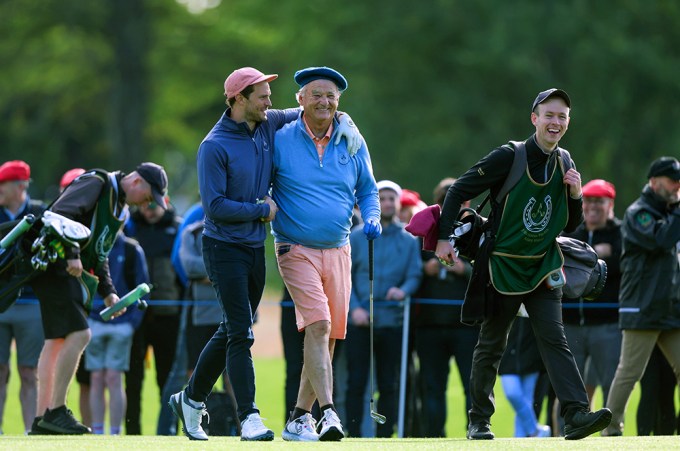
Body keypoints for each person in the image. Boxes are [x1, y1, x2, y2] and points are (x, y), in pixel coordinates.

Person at [169, 66, 362, 442]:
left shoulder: (266, 122)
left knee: (232, 328)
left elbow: (312, 110)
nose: (270, 102)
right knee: (241, 332)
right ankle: (249, 417)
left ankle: (190, 399)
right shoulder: (214, 145)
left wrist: (346, 120)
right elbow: (214, 206)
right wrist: (261, 210)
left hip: (254, 247)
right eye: (262, 96)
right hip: (223, 246)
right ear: (239, 99)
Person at [435, 88, 612, 440]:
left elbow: (569, 225)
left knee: (555, 339)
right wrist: (443, 238)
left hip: (544, 265)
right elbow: (457, 190)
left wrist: (576, 196)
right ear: (534, 118)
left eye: (562, 116)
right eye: (549, 115)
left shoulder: (566, 162)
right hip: (502, 265)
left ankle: (576, 414)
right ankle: (479, 421)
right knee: (492, 344)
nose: (556, 122)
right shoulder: (508, 156)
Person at [272, 66, 380, 442]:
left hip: (339, 249)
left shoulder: (351, 139)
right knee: (317, 326)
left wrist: (372, 216)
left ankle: (298, 417)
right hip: (293, 247)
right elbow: (259, 178)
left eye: (331, 95)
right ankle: (329, 414)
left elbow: (368, 189)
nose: (325, 101)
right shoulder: (281, 138)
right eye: (316, 94)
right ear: (300, 99)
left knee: (328, 336)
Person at [28, 162, 168, 435]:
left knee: (56, 342)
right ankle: (55, 412)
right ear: (137, 181)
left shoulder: (122, 210)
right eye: (149, 196)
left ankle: (41, 419)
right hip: (55, 264)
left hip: (66, 269)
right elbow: (60, 214)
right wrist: (72, 253)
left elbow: (101, 253)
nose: (147, 204)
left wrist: (108, 291)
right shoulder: (98, 183)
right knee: (81, 335)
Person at [604, 156, 680, 436]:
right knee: (630, 373)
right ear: (653, 182)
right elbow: (661, 239)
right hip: (642, 307)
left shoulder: (670, 213)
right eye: (672, 181)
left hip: (668, 308)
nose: (676, 187)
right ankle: (611, 429)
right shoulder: (640, 212)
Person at [345, 180, 422, 437]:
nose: (387, 203)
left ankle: (385, 436)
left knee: (389, 384)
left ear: (398, 203)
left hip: (392, 322)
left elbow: (414, 274)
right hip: (358, 322)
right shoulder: (355, 237)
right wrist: (355, 308)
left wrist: (404, 290)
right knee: (356, 382)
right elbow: (345, 278)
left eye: (392, 198)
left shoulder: (410, 240)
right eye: (382, 198)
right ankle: (353, 434)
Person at [412, 177, 478, 437]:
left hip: (466, 325)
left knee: (471, 387)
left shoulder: (476, 230)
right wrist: (423, 269)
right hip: (429, 326)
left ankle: (475, 432)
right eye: (445, 201)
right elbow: (407, 273)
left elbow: (486, 274)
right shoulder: (425, 230)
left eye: (458, 201)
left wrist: (465, 270)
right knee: (432, 387)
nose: (452, 206)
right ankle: (434, 438)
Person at [558, 179, 622, 420]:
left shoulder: (620, 233)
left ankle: (613, 433)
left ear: (610, 204)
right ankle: (563, 434)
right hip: (571, 322)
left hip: (607, 324)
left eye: (600, 201)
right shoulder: (572, 231)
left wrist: (595, 259)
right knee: (568, 387)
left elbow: (623, 265)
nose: (593, 206)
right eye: (589, 200)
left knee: (611, 383)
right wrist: (599, 254)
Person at [124, 198, 183, 435]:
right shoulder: (130, 227)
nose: (147, 211)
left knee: (167, 380)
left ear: (164, 202)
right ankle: (132, 433)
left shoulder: (177, 228)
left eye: (152, 205)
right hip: (135, 316)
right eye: (143, 206)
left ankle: (169, 432)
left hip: (168, 315)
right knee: (133, 380)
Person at [86, 232, 148, 435]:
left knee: (114, 377)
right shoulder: (92, 246)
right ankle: (97, 432)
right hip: (94, 320)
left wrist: (131, 324)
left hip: (122, 324)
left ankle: (114, 433)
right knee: (96, 377)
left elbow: (143, 287)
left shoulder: (132, 249)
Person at [0, 160, 45, 434]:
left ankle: (31, 432)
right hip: (0, 305)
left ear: (19, 187)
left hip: (31, 303)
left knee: (29, 372)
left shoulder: (40, 213)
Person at [499, 315, 550, 438]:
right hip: (507, 356)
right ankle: (535, 430)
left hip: (532, 354)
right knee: (512, 393)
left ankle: (519, 438)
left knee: (528, 399)